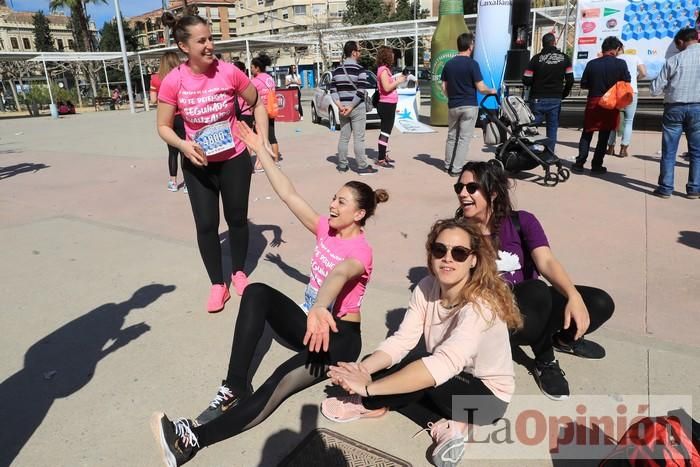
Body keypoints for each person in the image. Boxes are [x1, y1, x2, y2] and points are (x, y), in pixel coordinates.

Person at [150, 120, 389, 467]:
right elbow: (289, 194)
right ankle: (234, 387)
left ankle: (191, 440)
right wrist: (260, 150)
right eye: (334, 198)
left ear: (360, 213)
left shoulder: (361, 252)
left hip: (338, 339)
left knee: (278, 382)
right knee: (258, 291)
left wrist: (322, 306)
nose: (333, 205)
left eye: (342, 202)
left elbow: (339, 275)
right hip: (311, 324)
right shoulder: (326, 229)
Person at [320, 217, 522, 467]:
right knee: (386, 366)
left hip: (485, 400)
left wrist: (367, 388)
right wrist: (363, 370)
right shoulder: (427, 287)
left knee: (417, 369)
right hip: (451, 380)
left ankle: (369, 404)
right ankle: (448, 425)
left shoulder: (481, 307)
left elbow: (442, 364)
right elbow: (402, 341)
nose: (448, 258)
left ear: (474, 259)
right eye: (440, 250)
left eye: (459, 252)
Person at [454, 161, 615, 400]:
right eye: (459, 188)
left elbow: (546, 261)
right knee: (537, 291)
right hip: (494, 318)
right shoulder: (458, 234)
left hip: (535, 304)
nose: (463, 194)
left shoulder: (521, 221)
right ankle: (545, 359)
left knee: (600, 302)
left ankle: (561, 339)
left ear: (493, 192)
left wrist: (573, 296)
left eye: (471, 188)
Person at [156, 14, 269, 311]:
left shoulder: (229, 72)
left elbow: (256, 101)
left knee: (236, 219)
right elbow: (163, 127)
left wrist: (262, 139)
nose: (210, 45)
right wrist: (183, 145)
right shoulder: (173, 81)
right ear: (183, 46)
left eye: (210, 38)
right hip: (198, 166)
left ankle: (239, 272)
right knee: (206, 225)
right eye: (201, 40)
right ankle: (218, 285)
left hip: (233, 160)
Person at [650, 27, 700, 199]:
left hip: (674, 107)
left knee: (669, 151)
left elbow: (655, 89)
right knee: (697, 151)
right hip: (698, 108)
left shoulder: (674, 60)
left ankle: (665, 188)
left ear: (680, 41)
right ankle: (694, 188)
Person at [441, 33, 497, 177]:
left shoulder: (449, 64)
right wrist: (491, 90)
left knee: (452, 136)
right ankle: (456, 169)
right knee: (464, 138)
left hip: (453, 105)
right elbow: (480, 87)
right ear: (470, 46)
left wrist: (452, 98)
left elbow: (443, 87)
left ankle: (447, 165)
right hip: (469, 105)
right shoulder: (473, 64)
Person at [573, 36, 631, 175]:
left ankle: (579, 163)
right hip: (610, 103)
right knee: (604, 135)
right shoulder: (621, 64)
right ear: (616, 49)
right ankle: (597, 165)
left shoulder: (592, 64)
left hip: (594, 101)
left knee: (587, 132)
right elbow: (626, 81)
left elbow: (584, 84)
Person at [331, 40, 378, 175]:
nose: (360, 53)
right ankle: (362, 167)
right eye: (359, 50)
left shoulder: (336, 70)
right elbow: (361, 91)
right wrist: (351, 107)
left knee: (344, 137)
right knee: (359, 138)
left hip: (342, 109)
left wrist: (341, 106)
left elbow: (333, 91)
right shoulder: (360, 70)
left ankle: (342, 165)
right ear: (353, 52)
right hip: (356, 107)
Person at [522, 32, 575, 153]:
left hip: (537, 98)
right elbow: (570, 79)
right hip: (556, 98)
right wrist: (564, 93)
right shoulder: (564, 58)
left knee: (531, 126)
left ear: (543, 44)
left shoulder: (536, 59)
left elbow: (526, 79)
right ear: (554, 43)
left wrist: (536, 83)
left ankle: (529, 150)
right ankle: (549, 154)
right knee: (552, 128)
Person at [151, 51, 186, 192]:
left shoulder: (156, 79)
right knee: (185, 150)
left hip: (167, 118)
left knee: (172, 152)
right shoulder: (182, 76)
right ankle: (188, 183)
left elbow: (153, 100)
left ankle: (173, 181)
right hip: (182, 117)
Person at [606, 46, 647, 158]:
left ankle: (610, 147)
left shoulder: (616, 59)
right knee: (629, 121)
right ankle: (623, 149)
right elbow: (644, 72)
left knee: (614, 119)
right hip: (631, 91)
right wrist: (635, 79)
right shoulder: (635, 57)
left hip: (617, 92)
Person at [375, 45, 406, 168]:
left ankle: (383, 154)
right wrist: (398, 81)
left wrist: (396, 80)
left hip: (389, 103)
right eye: (391, 53)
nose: (393, 55)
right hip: (386, 104)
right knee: (385, 131)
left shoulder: (385, 70)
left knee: (386, 131)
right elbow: (386, 88)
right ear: (386, 55)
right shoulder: (382, 70)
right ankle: (381, 158)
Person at [251, 54, 280, 172]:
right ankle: (276, 161)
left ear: (257, 68)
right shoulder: (270, 78)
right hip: (271, 110)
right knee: (272, 137)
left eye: (252, 67)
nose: (251, 69)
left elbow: (251, 98)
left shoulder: (254, 81)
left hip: (260, 112)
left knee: (259, 137)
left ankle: (260, 164)